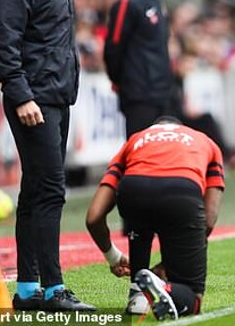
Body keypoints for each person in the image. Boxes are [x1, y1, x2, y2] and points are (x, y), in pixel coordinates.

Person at [0, 0, 94, 311]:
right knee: (50, 190)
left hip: (56, 95)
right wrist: (22, 95)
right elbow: (1, 45)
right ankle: (54, 288)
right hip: (35, 100)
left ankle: (29, 289)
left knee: (34, 192)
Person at [85, 116, 225, 320]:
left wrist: (113, 257)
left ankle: (137, 295)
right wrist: (171, 263)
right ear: (181, 128)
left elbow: (94, 217)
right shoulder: (205, 141)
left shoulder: (135, 140)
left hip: (133, 191)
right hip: (181, 192)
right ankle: (161, 285)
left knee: (138, 214)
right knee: (192, 300)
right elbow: (209, 219)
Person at [104, 0, 178, 138]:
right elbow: (113, 48)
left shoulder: (157, 0)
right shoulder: (128, 2)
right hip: (139, 97)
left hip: (163, 95)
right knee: (142, 151)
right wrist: (124, 84)